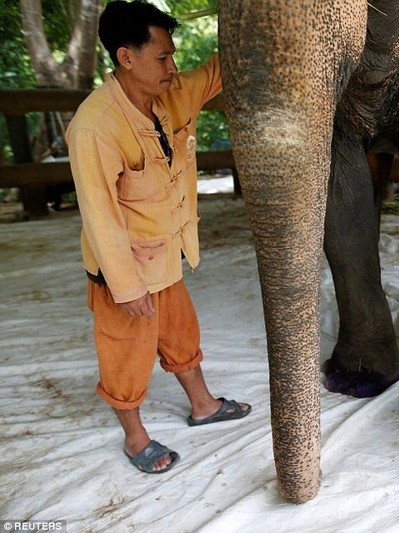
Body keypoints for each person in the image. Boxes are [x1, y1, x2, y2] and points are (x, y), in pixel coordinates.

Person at [66, 0, 251, 474]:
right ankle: (134, 437)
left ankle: (203, 405)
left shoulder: (171, 94)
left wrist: (253, 22)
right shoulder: (94, 127)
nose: (173, 67)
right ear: (126, 58)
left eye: (172, 56)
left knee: (181, 332)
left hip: (165, 253)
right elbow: (100, 216)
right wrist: (125, 287)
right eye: (163, 58)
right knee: (126, 354)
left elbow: (215, 72)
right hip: (124, 269)